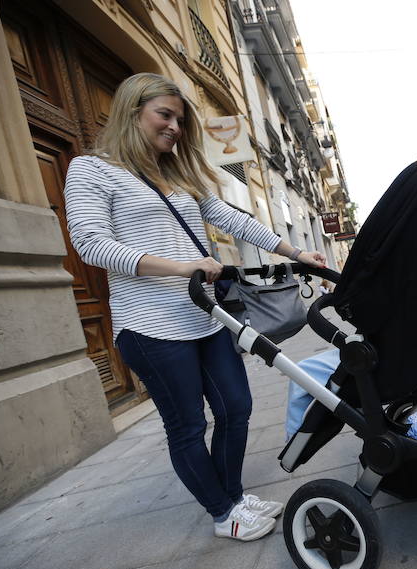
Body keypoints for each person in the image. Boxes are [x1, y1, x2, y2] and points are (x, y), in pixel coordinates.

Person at [63, 72, 327, 542]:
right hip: (148, 325)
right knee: (187, 425)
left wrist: (296, 254)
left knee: (237, 408)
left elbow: (230, 217)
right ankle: (223, 512)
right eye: (164, 115)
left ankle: (234, 497)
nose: (175, 128)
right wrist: (179, 267)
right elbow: (90, 245)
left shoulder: (174, 173)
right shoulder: (91, 170)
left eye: (179, 120)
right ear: (130, 111)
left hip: (203, 317)